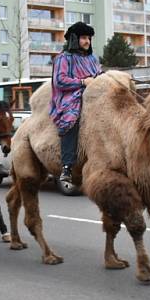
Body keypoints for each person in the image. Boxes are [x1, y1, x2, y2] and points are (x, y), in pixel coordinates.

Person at [49, 21, 102, 184]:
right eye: (84, 38)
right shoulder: (63, 58)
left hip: (94, 93)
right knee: (73, 118)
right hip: (71, 98)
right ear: (74, 39)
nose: (88, 41)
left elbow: (98, 74)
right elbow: (59, 81)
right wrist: (82, 82)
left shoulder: (93, 59)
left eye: (89, 38)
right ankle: (67, 166)